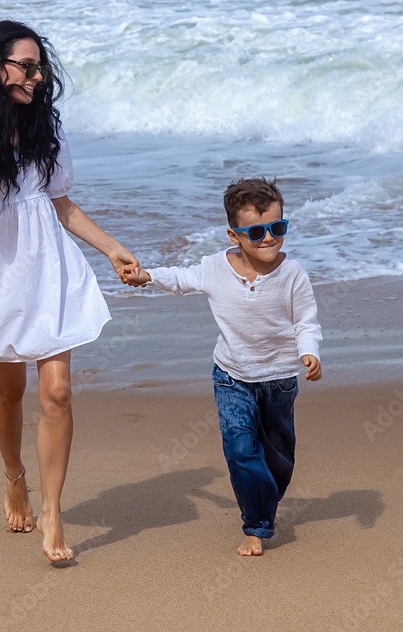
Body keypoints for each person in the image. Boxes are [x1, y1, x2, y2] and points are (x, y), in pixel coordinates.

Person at [0, 20, 139, 562]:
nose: (38, 76)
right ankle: (14, 475)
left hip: (51, 267)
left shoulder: (48, 125)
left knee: (58, 392)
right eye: (26, 65)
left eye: (40, 67)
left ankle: (54, 513)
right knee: (8, 391)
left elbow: (59, 204)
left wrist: (111, 248)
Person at [124, 177, 321, 556]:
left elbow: (306, 321)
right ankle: (257, 526)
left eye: (278, 228)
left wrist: (309, 352)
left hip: (280, 379)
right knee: (241, 449)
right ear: (234, 234)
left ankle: (264, 502)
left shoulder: (292, 273)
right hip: (231, 376)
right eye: (257, 231)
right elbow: (181, 278)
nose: (269, 238)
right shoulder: (215, 267)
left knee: (279, 458)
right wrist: (147, 276)